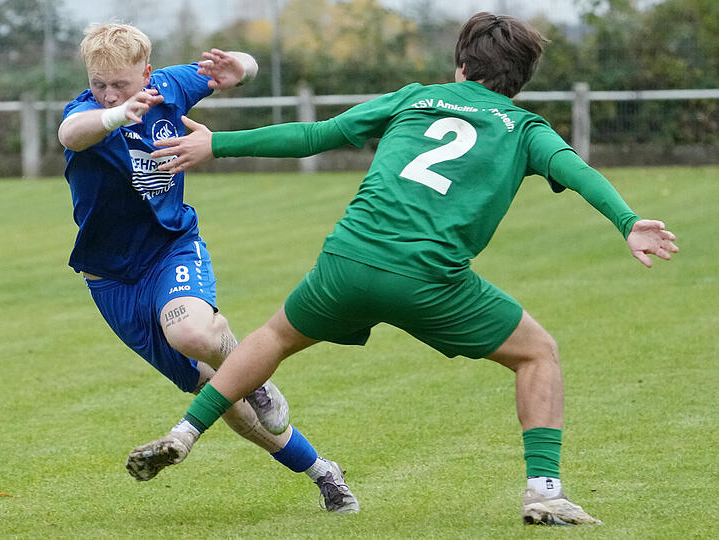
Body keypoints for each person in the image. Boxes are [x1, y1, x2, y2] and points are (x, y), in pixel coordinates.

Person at [130, 12, 679, 525]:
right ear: (521, 79)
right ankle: (545, 491)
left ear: (461, 65)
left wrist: (218, 144)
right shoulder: (524, 128)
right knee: (538, 353)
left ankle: (184, 431)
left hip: (348, 260)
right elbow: (576, 171)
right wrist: (627, 221)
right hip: (430, 279)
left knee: (273, 336)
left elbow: (315, 136)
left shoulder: (415, 99)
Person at [58, 23, 360, 513]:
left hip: (172, 248)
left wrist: (241, 66)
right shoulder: (88, 113)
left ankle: (257, 378)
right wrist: (114, 113)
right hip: (111, 281)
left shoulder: (172, 86)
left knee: (194, 334)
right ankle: (323, 472)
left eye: (121, 84)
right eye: (99, 84)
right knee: (217, 392)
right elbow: (69, 132)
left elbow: (238, 67)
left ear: (148, 73)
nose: (109, 93)